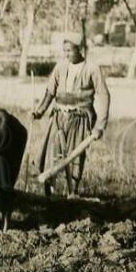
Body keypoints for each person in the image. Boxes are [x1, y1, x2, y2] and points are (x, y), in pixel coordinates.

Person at [32, 32, 110, 198]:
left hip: (80, 118)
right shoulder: (60, 67)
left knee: (75, 157)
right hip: (59, 116)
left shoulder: (91, 68)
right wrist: (40, 111)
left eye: (70, 50)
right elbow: (50, 92)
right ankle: (49, 194)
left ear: (79, 49)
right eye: (64, 50)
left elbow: (104, 95)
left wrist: (100, 126)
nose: (66, 54)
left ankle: (72, 192)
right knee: (51, 154)